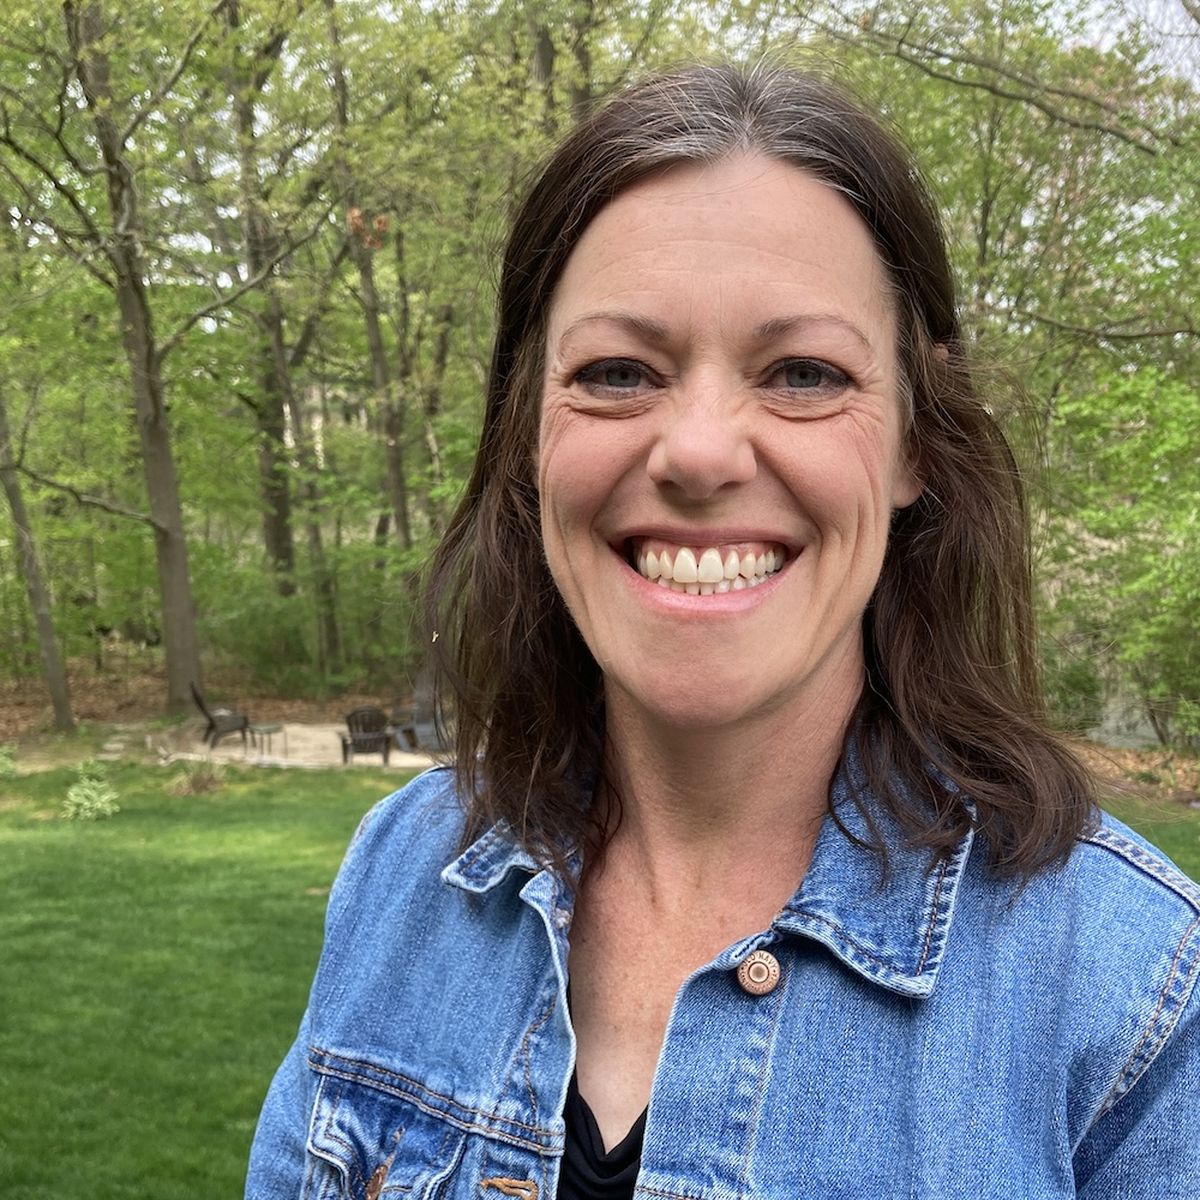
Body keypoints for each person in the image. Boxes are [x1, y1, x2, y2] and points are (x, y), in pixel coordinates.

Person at [246, 63, 1200, 1199]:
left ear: (913, 441)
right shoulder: (405, 872)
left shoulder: (1134, 995)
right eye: (616, 372)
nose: (699, 452)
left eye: (803, 373)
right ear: (529, 430)